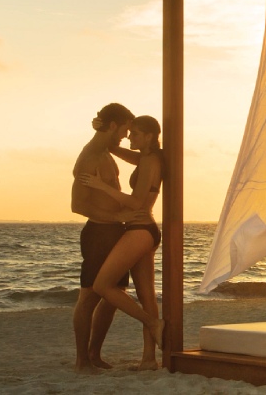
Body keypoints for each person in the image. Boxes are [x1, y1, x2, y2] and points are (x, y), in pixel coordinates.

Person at [80, 115, 165, 370]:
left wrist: (100, 186)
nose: (129, 137)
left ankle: (153, 324)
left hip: (140, 229)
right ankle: (149, 359)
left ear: (149, 136)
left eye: (135, 134)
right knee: (146, 295)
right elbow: (120, 152)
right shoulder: (149, 158)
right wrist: (104, 134)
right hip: (145, 230)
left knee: (102, 284)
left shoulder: (150, 161)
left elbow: (137, 202)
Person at [70, 102, 149, 373]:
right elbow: (78, 204)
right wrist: (115, 218)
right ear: (113, 125)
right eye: (124, 129)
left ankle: (94, 354)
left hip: (115, 232)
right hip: (99, 233)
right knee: (89, 297)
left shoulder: (106, 152)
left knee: (114, 295)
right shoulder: (89, 156)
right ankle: (82, 360)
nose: (125, 136)